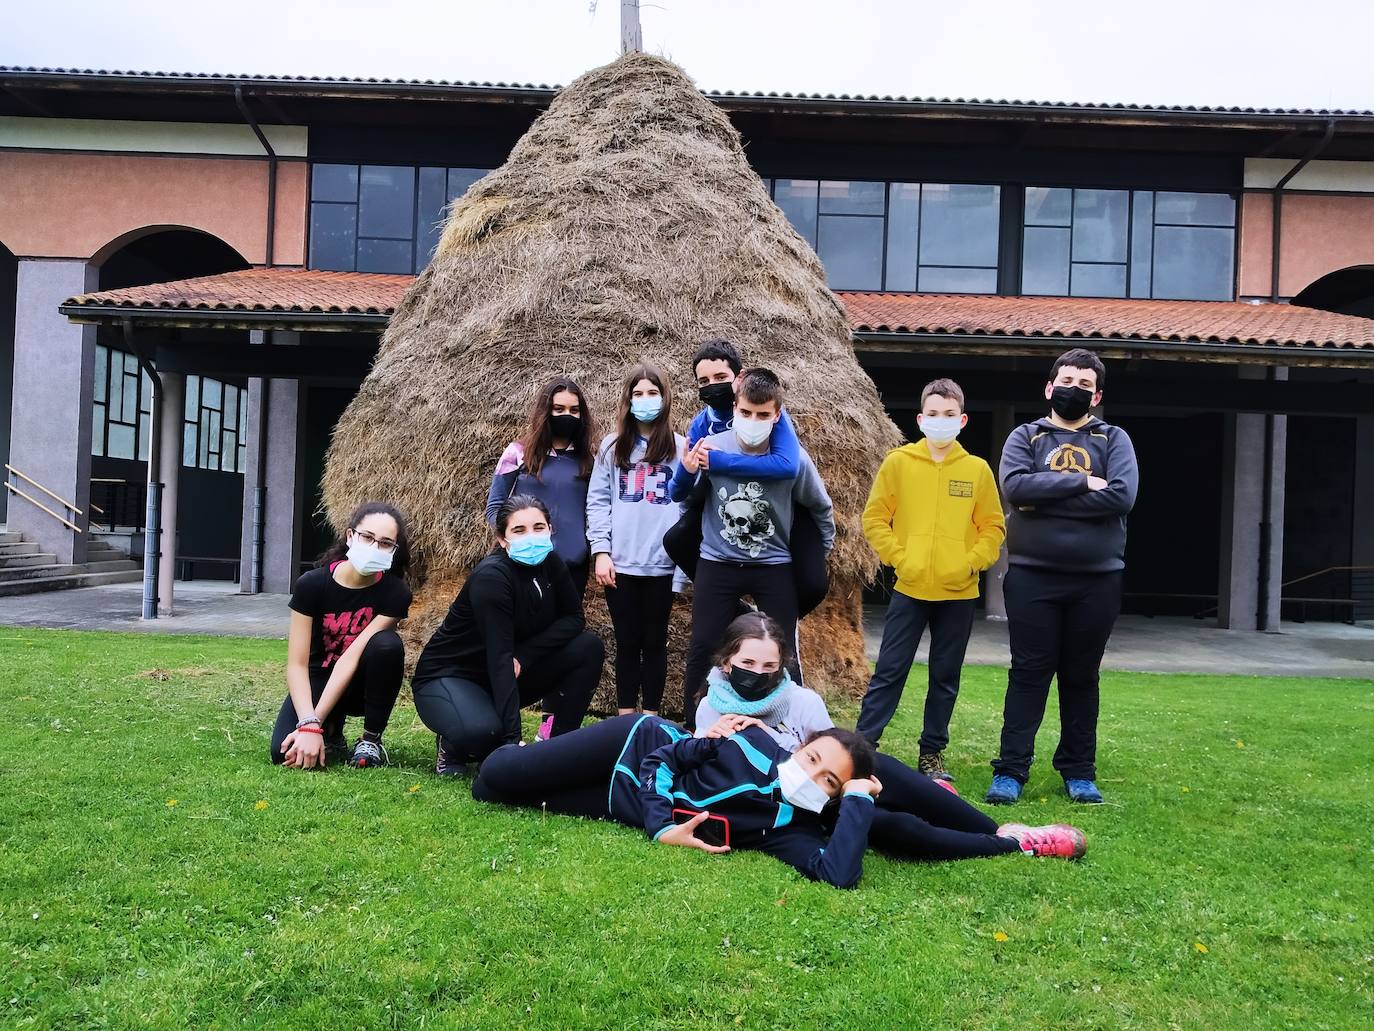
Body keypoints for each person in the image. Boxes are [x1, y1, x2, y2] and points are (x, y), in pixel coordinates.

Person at [697, 612, 1086, 862]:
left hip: (833, 788)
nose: (757, 672)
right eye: (747, 663)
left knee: (879, 766)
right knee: (898, 829)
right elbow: (704, 773)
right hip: (796, 813)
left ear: (783, 666)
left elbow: (836, 756)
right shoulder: (709, 706)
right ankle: (1014, 845)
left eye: (769, 665)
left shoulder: (801, 701)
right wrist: (718, 743)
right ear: (726, 660)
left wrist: (768, 738)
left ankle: (994, 828)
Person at [472, 714, 883, 888]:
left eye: (829, 780)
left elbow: (837, 874)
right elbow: (661, 760)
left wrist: (859, 799)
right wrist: (663, 826)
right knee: (495, 774)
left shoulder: (791, 831)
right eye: (812, 758)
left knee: (491, 793)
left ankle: (534, 756)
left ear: (835, 796)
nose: (810, 776)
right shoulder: (752, 740)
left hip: (619, 799)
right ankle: (519, 747)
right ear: (799, 747)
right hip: (631, 746)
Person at [987, 348, 1139, 807]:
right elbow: (1015, 488)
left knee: (1081, 676)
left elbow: (1121, 497)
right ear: (1049, 388)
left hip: (1097, 581)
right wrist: (1080, 482)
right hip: (1033, 579)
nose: (1075, 389)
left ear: (1096, 396)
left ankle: (1079, 771)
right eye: (1067, 381)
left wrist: (1043, 498)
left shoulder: (1114, 440)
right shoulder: (1025, 436)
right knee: (1029, 674)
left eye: (1085, 384)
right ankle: (1011, 771)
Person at [856, 378, 1006, 783]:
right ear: (921, 419)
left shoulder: (976, 470)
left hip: (959, 593)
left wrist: (971, 562)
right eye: (934, 414)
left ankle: (932, 754)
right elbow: (874, 518)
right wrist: (900, 558)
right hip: (911, 588)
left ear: (962, 420)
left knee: (945, 676)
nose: (942, 421)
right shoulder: (899, 463)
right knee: (890, 670)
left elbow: (993, 526)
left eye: (950, 415)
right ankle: (863, 746)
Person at [677, 368, 836, 725]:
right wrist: (687, 473)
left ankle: (788, 725)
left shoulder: (794, 458)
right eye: (747, 413)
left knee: (783, 649)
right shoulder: (712, 448)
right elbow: (687, 504)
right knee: (703, 645)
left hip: (773, 562)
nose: (753, 421)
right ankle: (693, 726)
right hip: (718, 560)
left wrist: (818, 552)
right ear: (735, 407)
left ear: (777, 415)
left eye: (763, 415)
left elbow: (819, 505)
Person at [412, 495, 605, 776]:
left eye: (539, 527)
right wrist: (511, 744)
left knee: (588, 647)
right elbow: (499, 658)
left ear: (550, 529)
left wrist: (525, 656)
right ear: (502, 539)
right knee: (485, 732)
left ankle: (559, 746)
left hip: (506, 668)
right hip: (450, 675)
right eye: (519, 530)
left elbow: (574, 619)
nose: (531, 536)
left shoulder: (552, 562)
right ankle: (453, 743)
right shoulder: (492, 578)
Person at [270, 502, 412, 770]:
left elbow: (350, 658)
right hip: (319, 678)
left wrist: (310, 728)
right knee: (282, 754)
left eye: (385, 543)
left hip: (362, 682)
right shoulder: (311, 585)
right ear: (349, 536)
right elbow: (297, 664)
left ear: (394, 551)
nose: (374, 547)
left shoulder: (396, 593)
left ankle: (370, 739)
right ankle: (331, 730)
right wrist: (309, 722)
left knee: (387, 646)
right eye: (367, 537)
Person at [586, 363, 686, 716]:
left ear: (665, 398)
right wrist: (601, 551)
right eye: (638, 394)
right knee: (627, 642)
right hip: (621, 565)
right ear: (627, 401)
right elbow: (598, 502)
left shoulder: (681, 449)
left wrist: (681, 571)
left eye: (652, 393)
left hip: (662, 566)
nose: (645, 400)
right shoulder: (613, 448)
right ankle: (625, 717)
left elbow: (688, 511)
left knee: (655, 642)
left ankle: (652, 717)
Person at [485, 376, 598, 596]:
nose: (568, 415)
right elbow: (495, 506)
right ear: (546, 411)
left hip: (572, 566)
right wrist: (511, 542)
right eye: (559, 408)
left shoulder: (590, 459)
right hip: (523, 563)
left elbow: (596, 509)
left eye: (574, 410)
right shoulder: (517, 452)